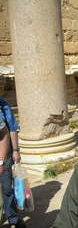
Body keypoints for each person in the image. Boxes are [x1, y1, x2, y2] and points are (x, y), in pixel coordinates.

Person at [0, 98, 25, 228]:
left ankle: (14, 220)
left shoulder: (3, 104)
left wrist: (16, 150)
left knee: (7, 188)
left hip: (4, 153)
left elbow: (11, 129)